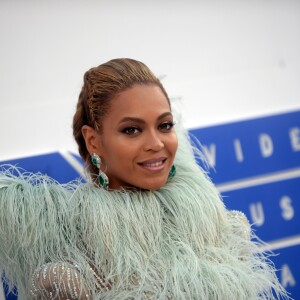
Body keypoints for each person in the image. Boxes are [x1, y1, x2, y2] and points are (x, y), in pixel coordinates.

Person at [0, 58, 289, 299]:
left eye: (164, 125)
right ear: (93, 141)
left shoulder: (214, 222)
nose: (156, 143)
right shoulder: (69, 266)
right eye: (132, 130)